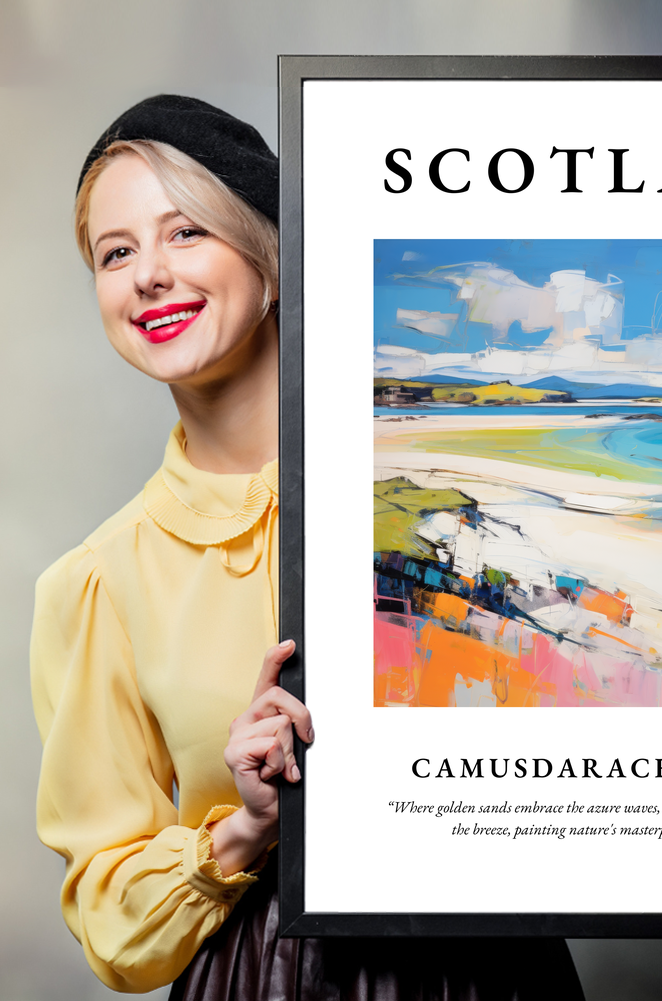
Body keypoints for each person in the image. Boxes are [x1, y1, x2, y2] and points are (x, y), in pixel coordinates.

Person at [30, 95, 586, 999]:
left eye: (185, 234)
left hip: (493, 968)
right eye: (116, 252)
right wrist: (245, 827)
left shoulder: (449, 496)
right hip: (263, 977)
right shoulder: (97, 582)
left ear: (273, 258)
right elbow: (110, 918)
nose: (148, 276)